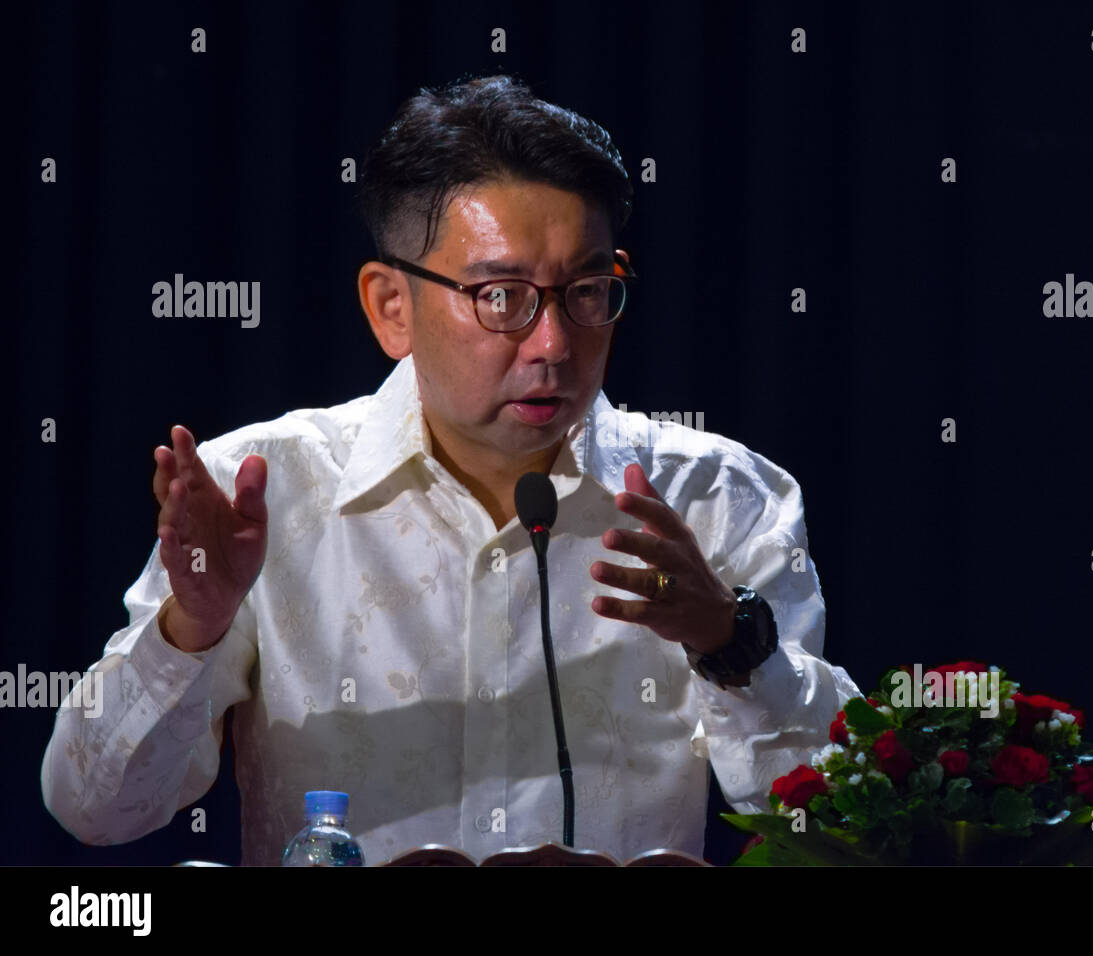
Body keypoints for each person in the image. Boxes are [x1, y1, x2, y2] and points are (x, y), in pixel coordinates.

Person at [41, 74, 861, 865]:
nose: (553, 344)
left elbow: (839, 827)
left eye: (586, 290)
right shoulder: (259, 489)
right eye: (502, 296)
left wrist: (730, 640)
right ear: (391, 306)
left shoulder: (720, 498)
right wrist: (193, 629)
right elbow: (95, 811)